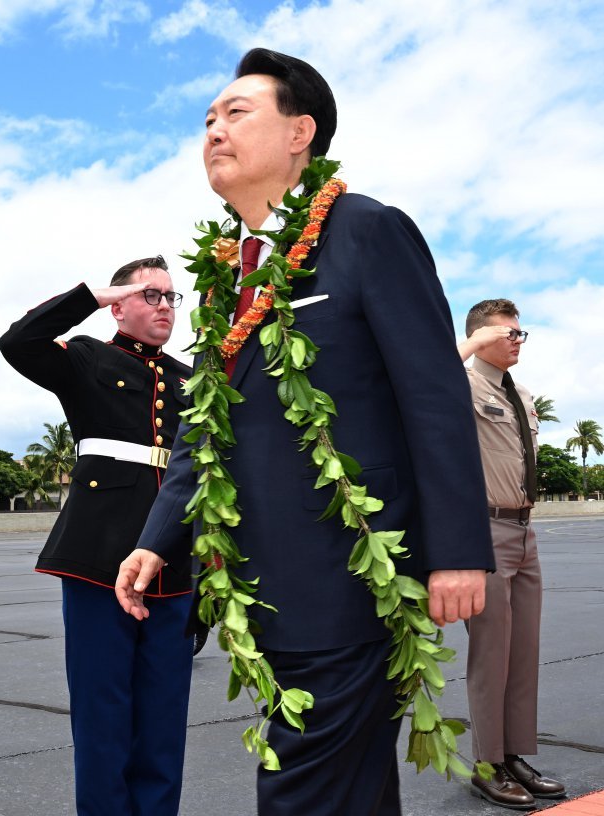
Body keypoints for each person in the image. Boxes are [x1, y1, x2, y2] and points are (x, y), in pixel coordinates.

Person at [113, 48, 495, 816]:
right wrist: (158, 537)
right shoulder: (228, 276)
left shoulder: (366, 232)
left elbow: (433, 395)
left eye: (237, 113)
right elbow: (203, 432)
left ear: (301, 134)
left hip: (351, 578)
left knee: (305, 792)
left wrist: (457, 551)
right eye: (208, 119)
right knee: (350, 790)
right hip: (264, 589)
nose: (215, 130)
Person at [0, 256, 194, 816]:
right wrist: (93, 295)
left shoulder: (189, 380)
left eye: (171, 297)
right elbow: (19, 341)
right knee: (102, 712)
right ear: (121, 303)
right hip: (98, 556)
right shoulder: (87, 357)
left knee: (163, 717)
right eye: (150, 295)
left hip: (174, 563)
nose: (163, 306)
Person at [456, 299, 564, 811]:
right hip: (486, 529)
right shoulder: (464, 384)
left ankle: (515, 754)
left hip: (524, 532)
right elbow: (423, 384)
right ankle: (486, 764)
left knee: (522, 654)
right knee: (490, 657)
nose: (519, 340)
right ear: (480, 336)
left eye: (523, 333)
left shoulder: (519, 393)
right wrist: (471, 346)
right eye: (508, 333)